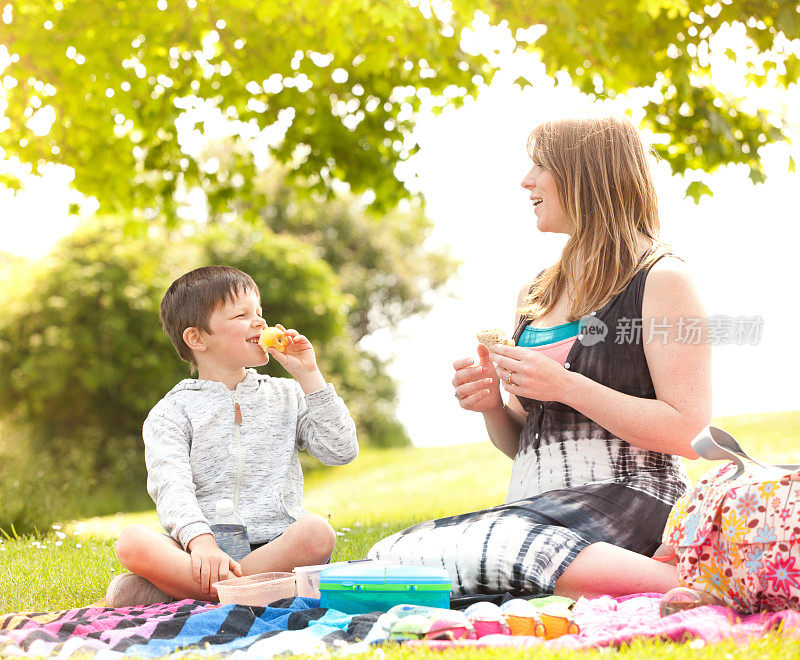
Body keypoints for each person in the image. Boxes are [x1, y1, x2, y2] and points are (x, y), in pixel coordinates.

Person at [368, 116, 712, 600]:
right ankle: (609, 581)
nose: (525, 180)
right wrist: (492, 406)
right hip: (538, 510)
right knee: (393, 554)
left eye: (541, 165)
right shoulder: (537, 291)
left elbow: (689, 432)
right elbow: (530, 444)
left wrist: (566, 385)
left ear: (587, 175)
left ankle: (694, 583)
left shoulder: (664, 279)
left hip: (633, 498)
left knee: (507, 543)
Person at [106, 265, 358, 606]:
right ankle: (255, 590)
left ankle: (194, 594)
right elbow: (172, 486)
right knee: (132, 541)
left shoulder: (287, 394)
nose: (260, 323)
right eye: (242, 315)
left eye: (260, 313)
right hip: (198, 553)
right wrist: (202, 543)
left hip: (275, 546)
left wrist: (310, 377)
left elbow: (340, 450)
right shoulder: (171, 412)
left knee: (317, 532)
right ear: (197, 338)